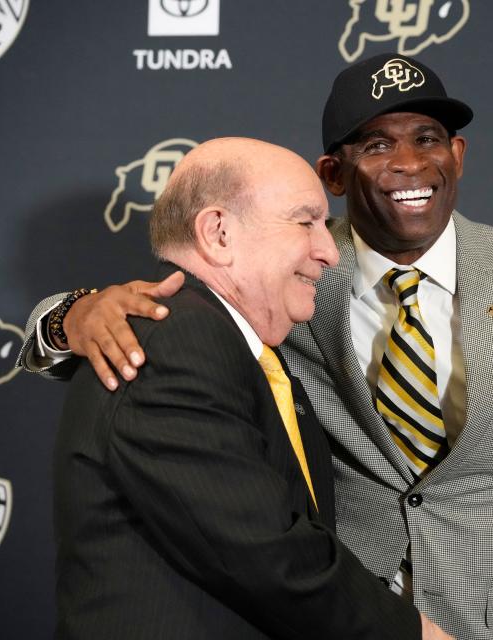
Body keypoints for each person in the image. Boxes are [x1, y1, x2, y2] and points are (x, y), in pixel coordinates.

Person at [20, 55, 493, 639]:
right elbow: (177, 321)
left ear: (457, 156)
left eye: (429, 138)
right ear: (332, 173)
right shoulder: (292, 271)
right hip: (339, 617)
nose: (408, 163)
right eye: (375, 145)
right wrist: (72, 314)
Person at [40, 137, 451, 639]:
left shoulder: (241, 348)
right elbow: (268, 551)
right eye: (306, 222)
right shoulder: (176, 341)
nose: (328, 252)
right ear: (218, 233)